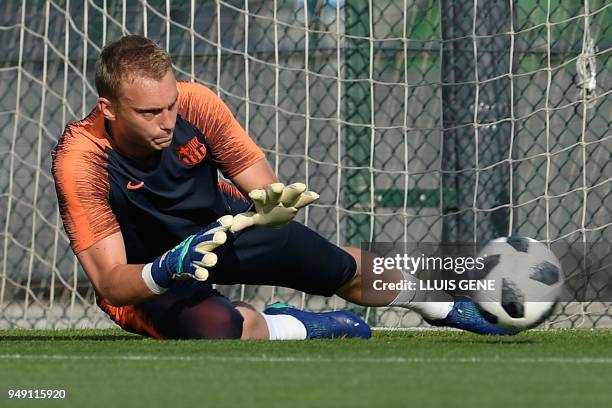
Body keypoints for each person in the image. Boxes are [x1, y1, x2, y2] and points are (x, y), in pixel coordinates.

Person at [52, 35, 511, 340]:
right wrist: (165, 267)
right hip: (149, 274)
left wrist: (273, 206)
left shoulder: (197, 104)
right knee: (217, 329)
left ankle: (445, 304)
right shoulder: (81, 158)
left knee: (338, 267)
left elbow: (261, 183)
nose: (168, 121)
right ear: (109, 109)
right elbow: (111, 282)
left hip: (223, 229)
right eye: (150, 113)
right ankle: (292, 325)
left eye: (170, 105)